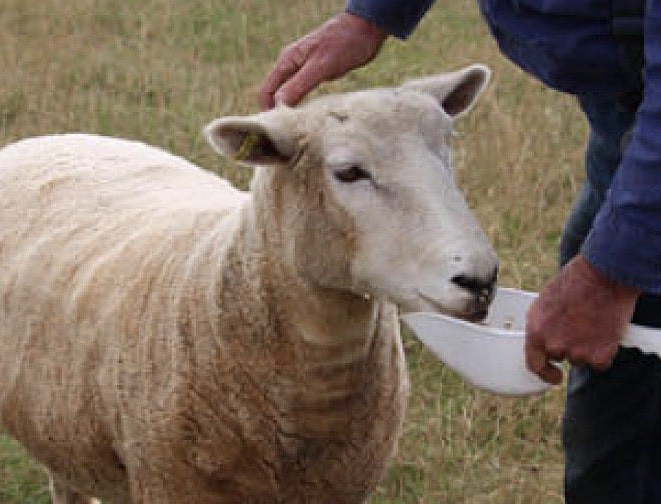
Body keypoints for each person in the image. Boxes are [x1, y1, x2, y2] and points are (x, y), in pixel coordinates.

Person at [258, 2, 661, 502]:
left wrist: (610, 275)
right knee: (617, 411)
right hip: (625, 114)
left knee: (633, 411)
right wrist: (373, 15)